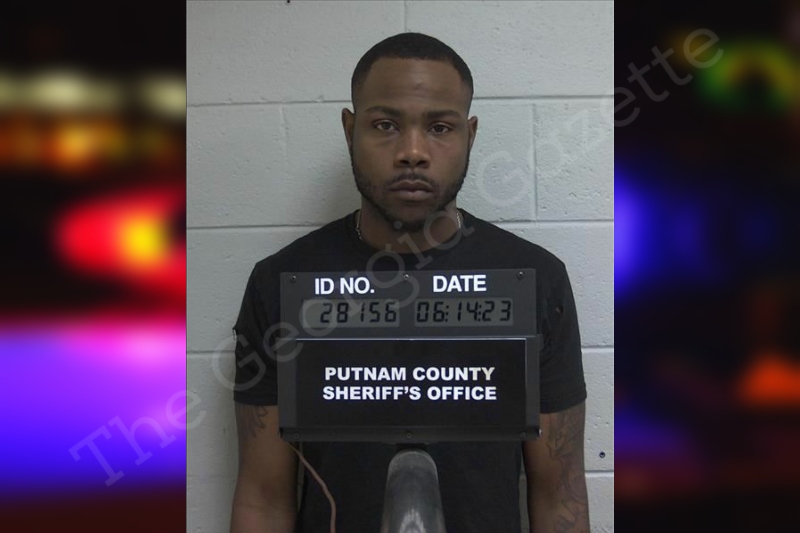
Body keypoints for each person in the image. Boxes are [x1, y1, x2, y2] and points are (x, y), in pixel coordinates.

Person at [229, 32, 589, 533]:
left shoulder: (535, 281)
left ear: (470, 135)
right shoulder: (282, 283)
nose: (413, 152)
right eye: (385, 125)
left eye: (440, 127)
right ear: (350, 130)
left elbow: (559, 494)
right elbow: (263, 500)